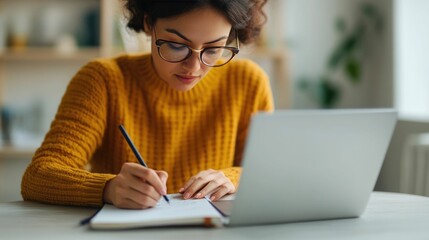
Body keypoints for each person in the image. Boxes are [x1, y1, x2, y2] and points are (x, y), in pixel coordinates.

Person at [21, 0, 273, 209]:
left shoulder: (247, 82)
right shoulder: (103, 80)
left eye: (214, 49)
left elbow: (266, 173)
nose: (194, 67)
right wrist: (109, 189)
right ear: (148, 23)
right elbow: (38, 176)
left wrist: (231, 178)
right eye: (176, 45)